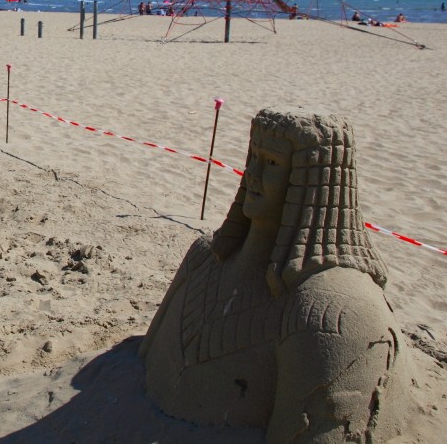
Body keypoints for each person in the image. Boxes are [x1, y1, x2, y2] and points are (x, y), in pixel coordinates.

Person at [140, 108, 410, 442]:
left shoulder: (328, 312)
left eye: (270, 163)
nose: (251, 173)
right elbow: (141, 357)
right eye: (252, 156)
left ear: (311, 182)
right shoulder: (203, 259)